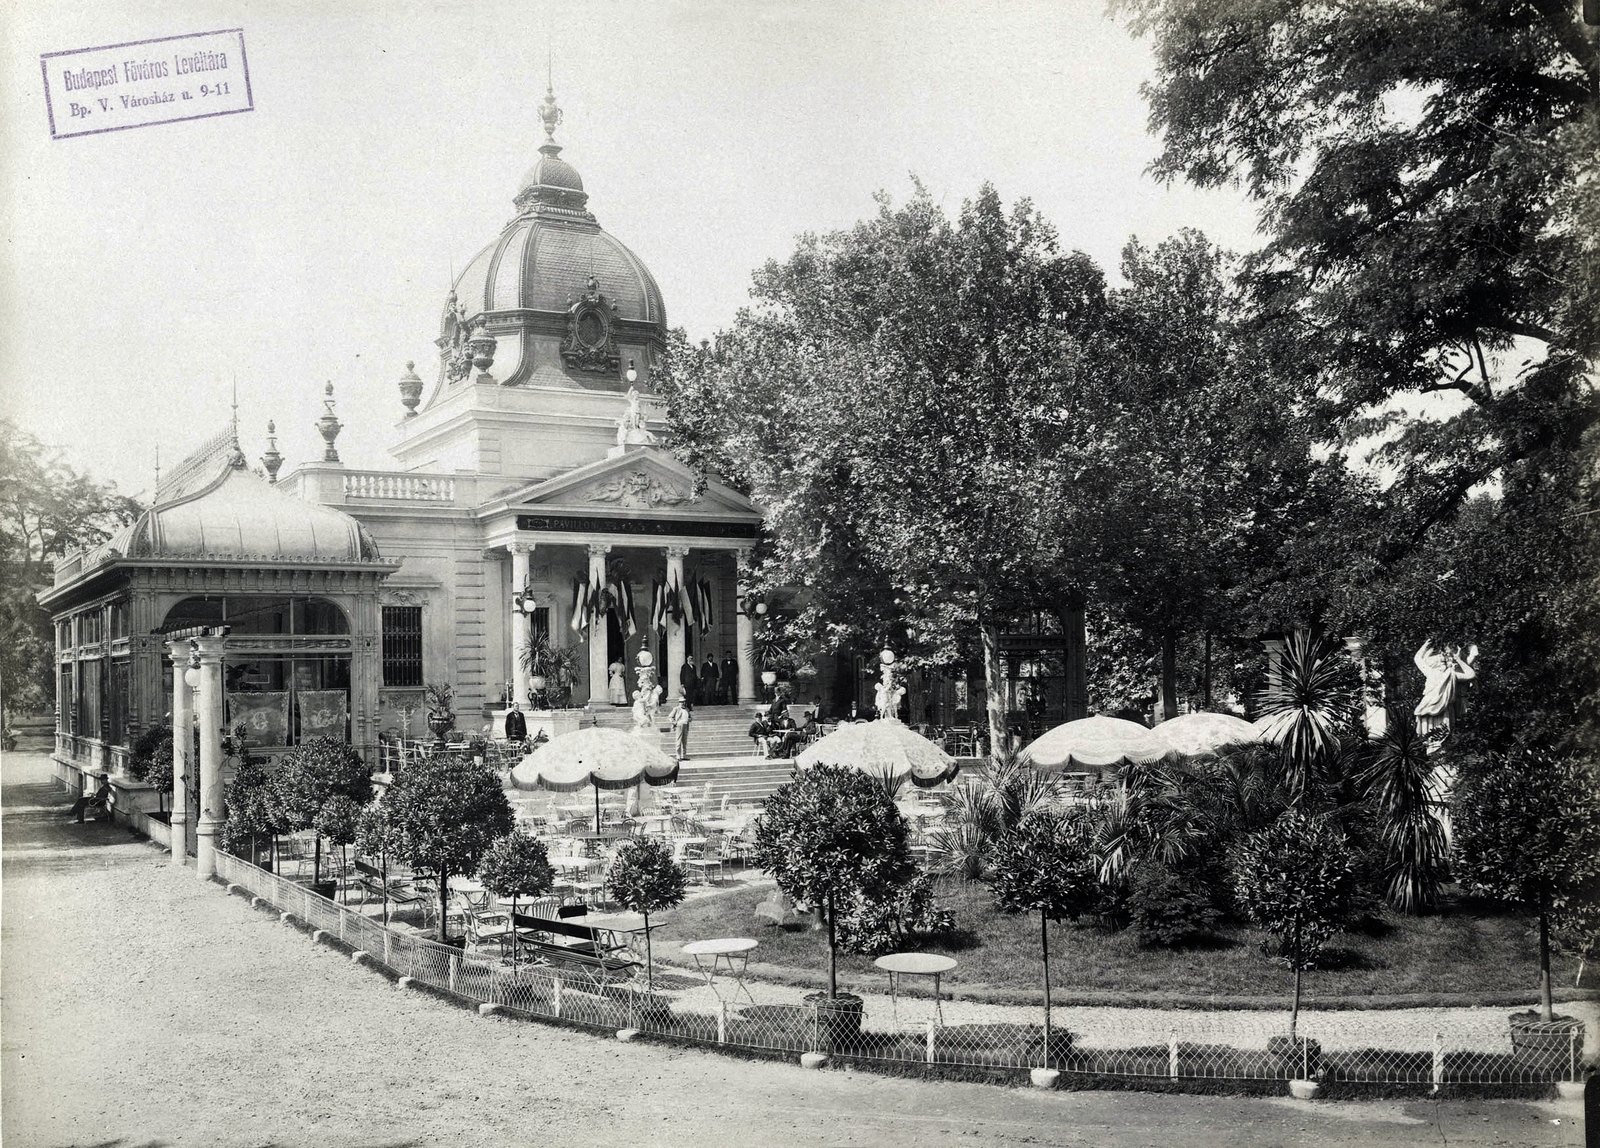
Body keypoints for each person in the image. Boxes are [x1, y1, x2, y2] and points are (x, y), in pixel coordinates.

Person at [669, 694, 692, 762]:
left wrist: (690, 719)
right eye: (681, 702)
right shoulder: (676, 709)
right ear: (679, 702)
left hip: (685, 725)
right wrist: (675, 723)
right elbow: (670, 717)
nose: (682, 703)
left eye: (683, 702)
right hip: (679, 725)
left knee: (684, 741)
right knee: (678, 741)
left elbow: (690, 717)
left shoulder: (687, 709)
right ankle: (678, 756)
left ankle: (684, 755)